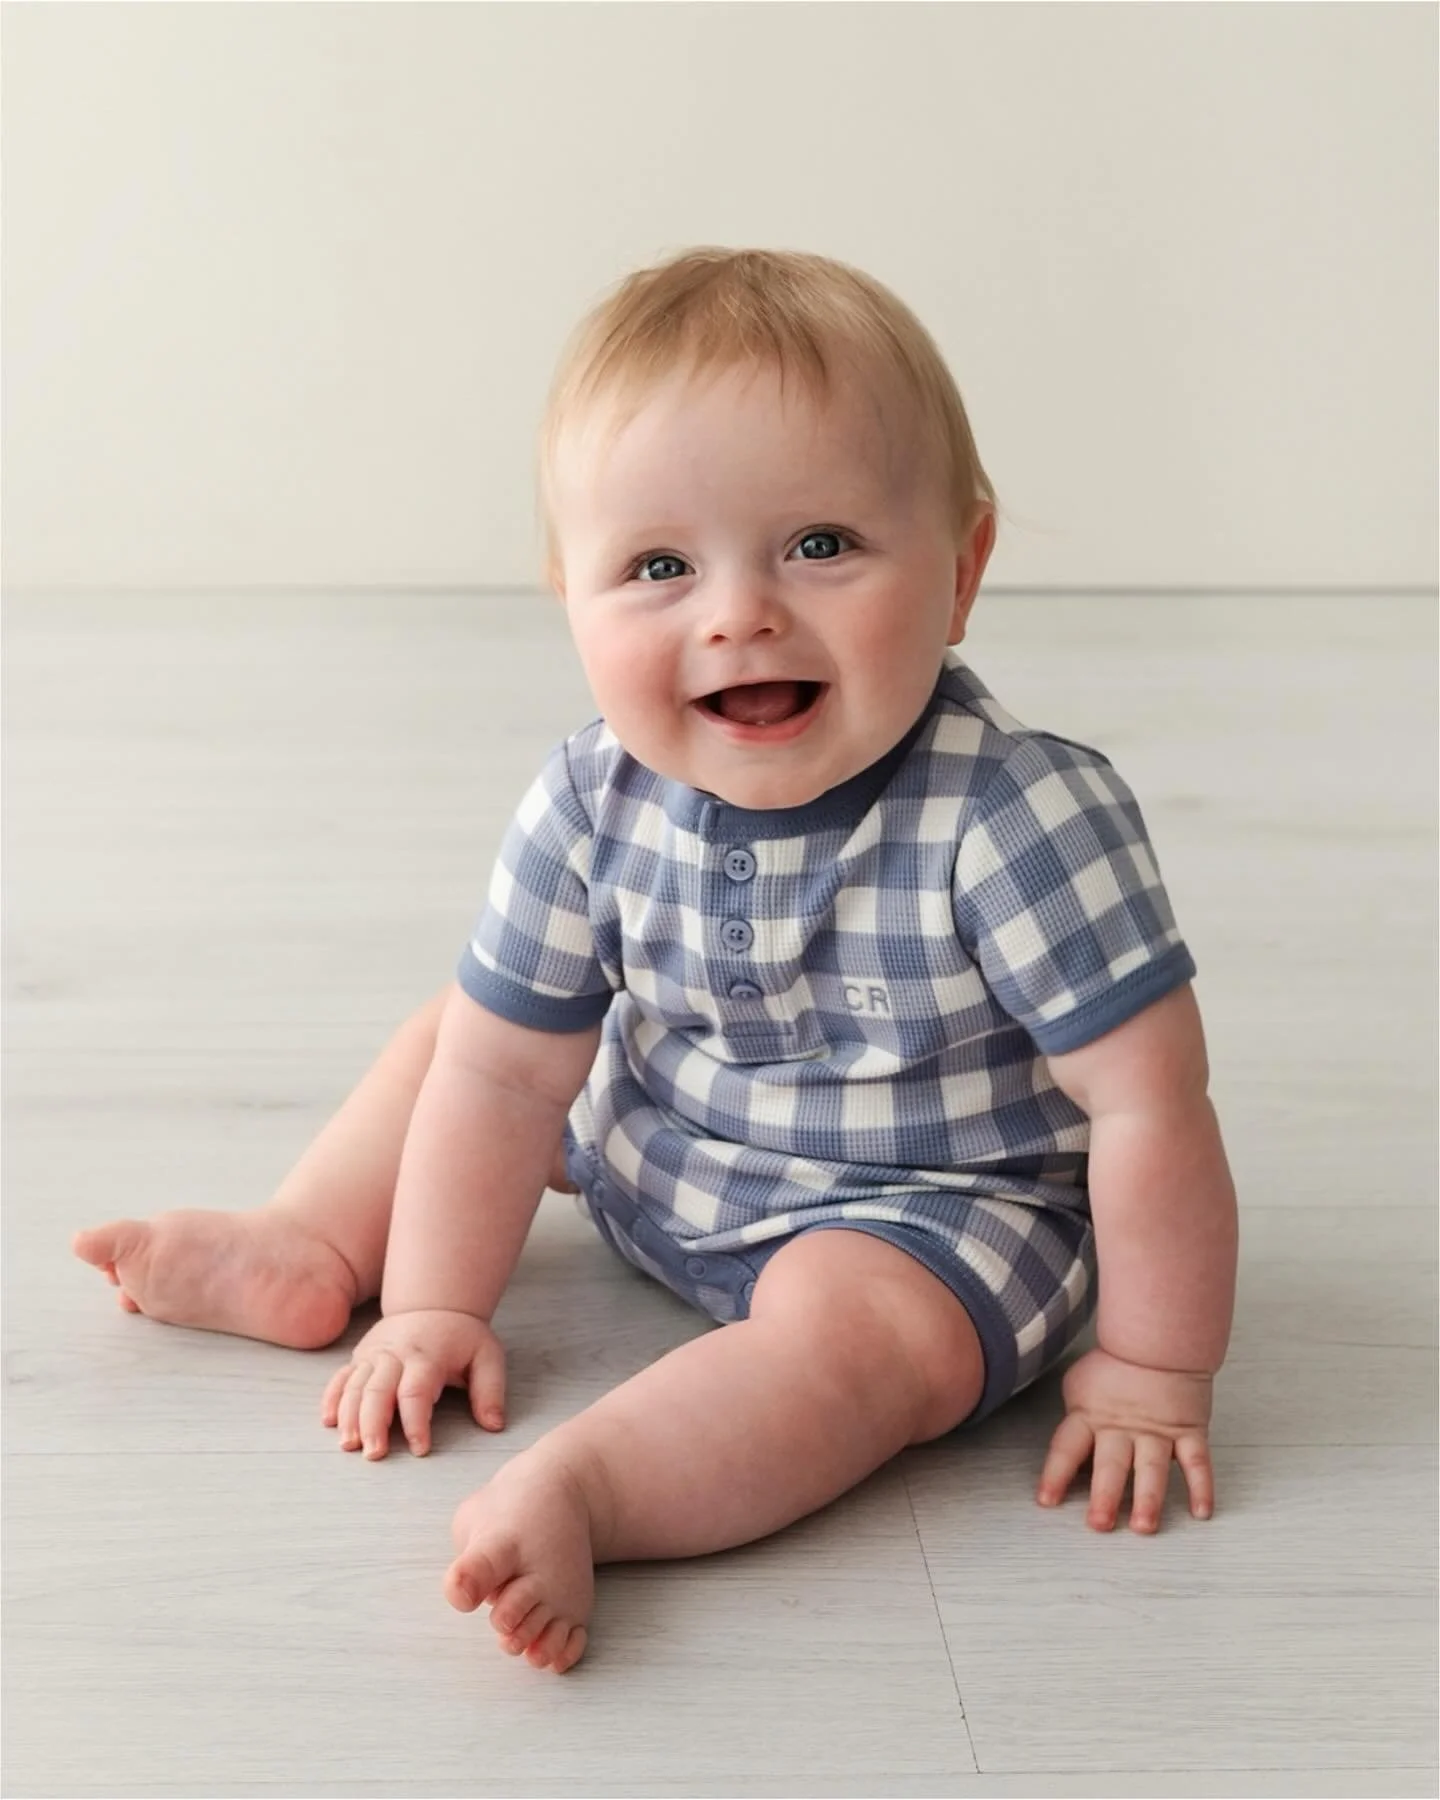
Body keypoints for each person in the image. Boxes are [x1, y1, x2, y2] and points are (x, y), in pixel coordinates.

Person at [74, 247, 1239, 1676]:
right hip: (666, 1137)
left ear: (964, 567)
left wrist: (1153, 1368)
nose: (737, 611)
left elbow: (1149, 1109)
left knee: (861, 1345)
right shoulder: (589, 797)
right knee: (466, 1031)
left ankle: (594, 1486)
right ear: (569, 593)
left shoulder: (1017, 819)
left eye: (821, 544)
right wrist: (442, 1301)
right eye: (659, 567)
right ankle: (317, 1240)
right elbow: (508, 1080)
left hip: (928, 1213)